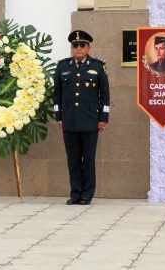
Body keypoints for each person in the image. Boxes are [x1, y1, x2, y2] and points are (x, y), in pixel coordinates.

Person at [53, 30, 110, 205]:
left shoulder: (97, 67)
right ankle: (75, 192)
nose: (78, 48)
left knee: (88, 159)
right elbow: (57, 94)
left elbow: (105, 95)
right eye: (75, 46)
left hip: (90, 121)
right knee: (73, 160)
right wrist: (59, 117)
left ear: (88, 47)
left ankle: (87, 194)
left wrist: (103, 119)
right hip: (69, 121)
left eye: (82, 45)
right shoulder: (63, 67)